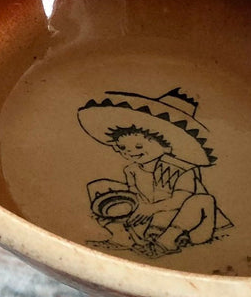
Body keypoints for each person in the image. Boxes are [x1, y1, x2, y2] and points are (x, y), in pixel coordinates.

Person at [77, 87, 232, 257]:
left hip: (185, 225)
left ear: (165, 146)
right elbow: (134, 194)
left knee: (203, 200)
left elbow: (180, 200)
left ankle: (167, 242)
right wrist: (132, 207)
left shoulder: (184, 169)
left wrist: (150, 209)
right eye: (123, 147)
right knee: (99, 186)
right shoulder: (132, 170)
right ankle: (122, 236)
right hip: (147, 222)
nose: (130, 152)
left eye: (138, 146)